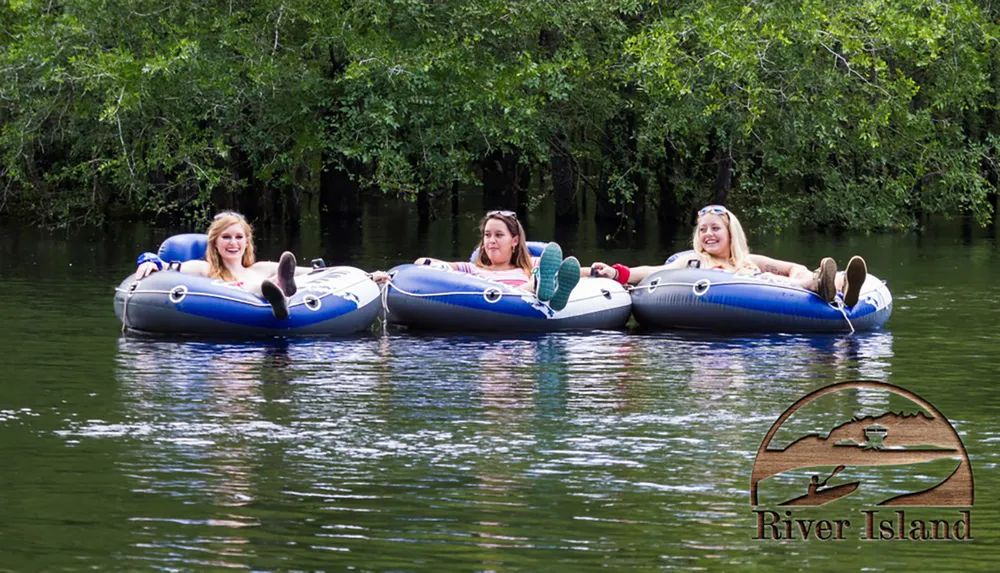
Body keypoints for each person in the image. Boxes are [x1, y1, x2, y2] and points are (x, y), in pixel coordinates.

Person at [590, 205, 869, 307]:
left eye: (715, 229)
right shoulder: (694, 262)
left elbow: (793, 266)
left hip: (777, 295)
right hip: (734, 298)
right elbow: (654, 272)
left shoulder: (750, 261)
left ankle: (840, 285)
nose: (708, 235)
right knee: (772, 278)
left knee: (777, 274)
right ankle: (820, 285)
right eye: (702, 230)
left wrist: (802, 275)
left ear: (730, 233)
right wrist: (617, 273)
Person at [135, 211, 389, 319]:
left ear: (247, 242)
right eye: (226, 238)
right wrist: (148, 260)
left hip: (265, 287)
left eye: (239, 238)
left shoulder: (260, 266)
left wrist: (368, 276)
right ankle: (274, 291)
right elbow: (165, 266)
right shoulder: (203, 269)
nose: (233, 243)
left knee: (267, 276)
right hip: (228, 301)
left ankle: (281, 288)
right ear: (215, 243)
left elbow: (320, 273)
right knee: (258, 284)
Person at [413, 210, 588, 311]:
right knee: (534, 281)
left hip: (526, 311)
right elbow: (423, 262)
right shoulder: (471, 269)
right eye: (487, 235)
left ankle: (549, 287)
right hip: (491, 305)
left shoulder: (531, 265)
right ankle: (537, 285)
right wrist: (432, 264)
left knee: (547, 272)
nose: (491, 241)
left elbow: (573, 272)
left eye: (499, 235)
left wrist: (597, 271)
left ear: (515, 241)